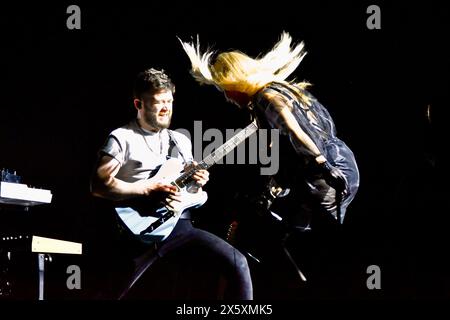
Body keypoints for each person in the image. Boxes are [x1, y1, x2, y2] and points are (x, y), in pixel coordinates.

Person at [180, 32, 360, 297]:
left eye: (225, 90)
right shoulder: (288, 90)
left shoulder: (266, 97)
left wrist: (321, 163)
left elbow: (291, 127)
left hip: (322, 177)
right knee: (275, 231)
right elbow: (290, 139)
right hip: (345, 167)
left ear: (236, 82)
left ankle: (291, 288)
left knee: (253, 229)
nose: (228, 97)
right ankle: (301, 282)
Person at [90, 68, 253, 300]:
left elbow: (191, 192)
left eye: (169, 101)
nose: (166, 108)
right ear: (138, 104)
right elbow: (98, 185)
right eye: (158, 102)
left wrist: (197, 183)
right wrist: (146, 189)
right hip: (135, 234)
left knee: (238, 263)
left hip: (179, 227)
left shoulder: (180, 140)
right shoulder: (122, 138)